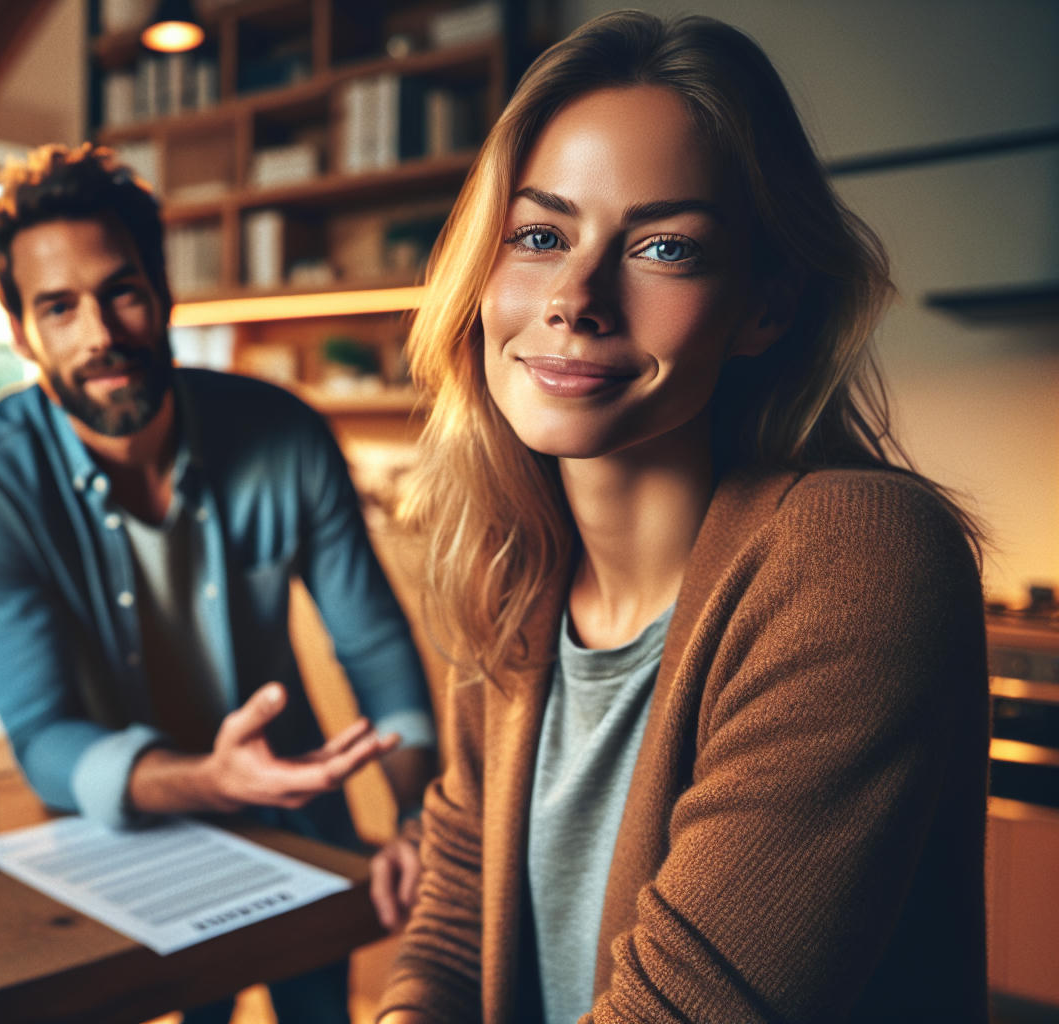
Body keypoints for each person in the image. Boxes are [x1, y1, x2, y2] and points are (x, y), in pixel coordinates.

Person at [379, 11, 988, 1024]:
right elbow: (452, 910)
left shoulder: (855, 555)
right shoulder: (514, 572)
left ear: (765, 306)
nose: (575, 296)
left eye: (663, 247)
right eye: (538, 235)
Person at [0, 143, 437, 1023]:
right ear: (22, 333)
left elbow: (376, 650)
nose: (100, 335)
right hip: (117, 825)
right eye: (58, 308)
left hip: (292, 806)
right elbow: (46, 737)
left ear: (162, 293)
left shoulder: (286, 434)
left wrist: (421, 819)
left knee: (321, 1008)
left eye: (121, 291)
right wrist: (210, 778)